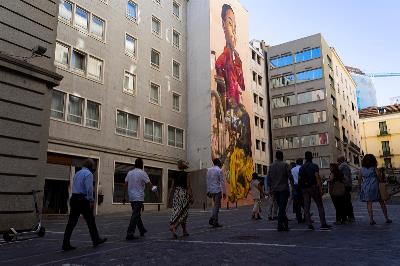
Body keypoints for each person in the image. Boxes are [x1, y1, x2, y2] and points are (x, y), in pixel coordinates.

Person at [62, 158, 107, 251]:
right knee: (91, 221)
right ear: (90, 167)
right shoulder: (88, 174)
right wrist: (91, 200)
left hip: (74, 198)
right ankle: (95, 239)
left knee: (71, 222)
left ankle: (65, 243)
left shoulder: (77, 173)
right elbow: (89, 189)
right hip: (82, 199)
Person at [125, 158, 156, 240]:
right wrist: (155, 190)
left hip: (131, 197)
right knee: (135, 215)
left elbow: (125, 184)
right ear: (141, 165)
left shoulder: (129, 173)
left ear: (135, 164)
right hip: (138, 198)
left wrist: (124, 196)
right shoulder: (143, 173)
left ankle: (142, 229)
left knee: (136, 214)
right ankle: (130, 233)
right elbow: (149, 184)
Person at [299, 151, 331, 230]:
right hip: (313, 187)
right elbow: (317, 177)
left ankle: (309, 224)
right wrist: (320, 188)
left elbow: (300, 178)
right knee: (319, 205)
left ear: (305, 157)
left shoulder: (301, 167)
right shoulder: (314, 166)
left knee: (306, 206)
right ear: (312, 157)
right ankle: (323, 223)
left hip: (304, 188)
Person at [359, 154, 392, 225]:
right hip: (375, 186)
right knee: (381, 202)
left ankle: (371, 220)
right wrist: (381, 181)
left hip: (366, 187)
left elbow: (359, 179)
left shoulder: (362, 169)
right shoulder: (374, 168)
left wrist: (360, 186)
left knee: (369, 203)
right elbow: (379, 176)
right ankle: (387, 218)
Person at [267, 150, 294, 231]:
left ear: (276, 156)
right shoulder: (285, 165)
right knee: (282, 208)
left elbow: (268, 179)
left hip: (275, 190)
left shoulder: (271, 166)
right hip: (283, 189)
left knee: (281, 207)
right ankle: (280, 225)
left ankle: (285, 224)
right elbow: (290, 177)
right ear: (282, 156)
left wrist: (270, 188)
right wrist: (293, 187)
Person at [169, 160, 192, 239]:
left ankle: (184, 230)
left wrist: (169, 196)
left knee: (176, 210)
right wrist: (191, 196)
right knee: (184, 212)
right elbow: (188, 186)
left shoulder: (174, 174)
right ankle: (174, 226)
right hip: (183, 193)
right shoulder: (187, 174)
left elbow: (172, 186)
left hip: (176, 193)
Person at [207, 158, 226, 227]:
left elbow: (208, 181)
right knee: (216, 206)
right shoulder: (219, 170)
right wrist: (224, 192)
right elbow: (222, 182)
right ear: (218, 163)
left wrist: (208, 190)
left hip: (211, 190)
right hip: (217, 190)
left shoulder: (209, 170)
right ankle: (212, 218)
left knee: (215, 206)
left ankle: (215, 222)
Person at [338, 156, 355, 222]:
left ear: (341, 160)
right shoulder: (345, 165)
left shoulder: (343, 166)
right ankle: (349, 216)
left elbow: (345, 176)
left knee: (346, 201)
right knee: (347, 201)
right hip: (347, 185)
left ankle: (350, 216)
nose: (337, 162)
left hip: (345, 185)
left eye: (338, 161)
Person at [291, 158, 304, 223]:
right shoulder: (302, 168)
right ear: (302, 162)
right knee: (304, 202)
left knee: (297, 204)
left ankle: (299, 219)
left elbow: (290, 179)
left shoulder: (292, 169)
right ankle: (306, 216)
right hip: (302, 186)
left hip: (295, 186)